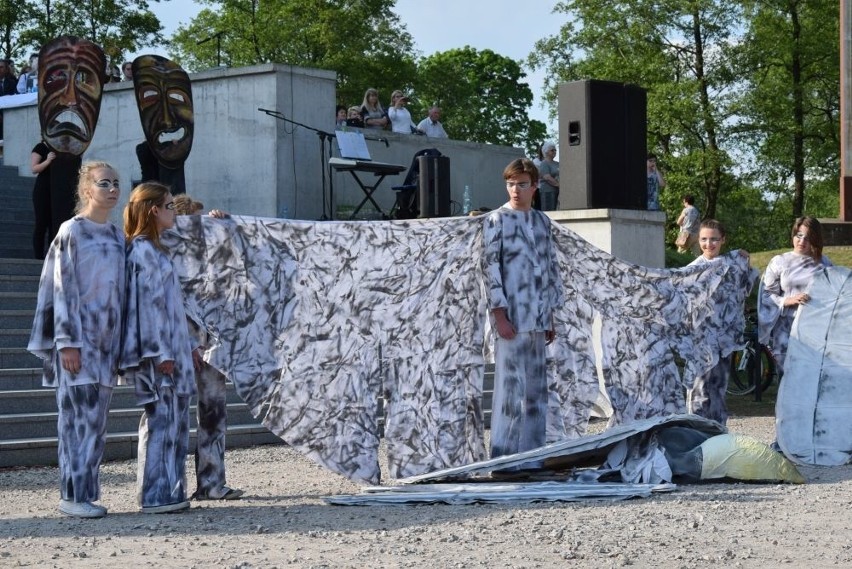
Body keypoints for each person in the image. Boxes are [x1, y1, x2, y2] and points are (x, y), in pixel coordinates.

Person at [27, 161, 125, 518]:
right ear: (87, 190)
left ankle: (86, 493)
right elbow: (61, 288)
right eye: (104, 183)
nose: (113, 189)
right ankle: (72, 495)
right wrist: (66, 341)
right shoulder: (72, 231)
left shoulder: (117, 236)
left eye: (116, 183)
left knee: (96, 424)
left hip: (107, 345)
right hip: (77, 344)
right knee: (75, 422)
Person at [121, 183, 197, 514]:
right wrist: (162, 352)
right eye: (169, 206)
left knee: (175, 422)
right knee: (160, 422)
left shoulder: (156, 249)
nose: (173, 212)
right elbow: (147, 308)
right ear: (154, 210)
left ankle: (169, 489)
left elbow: (171, 306)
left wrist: (188, 345)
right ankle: (153, 493)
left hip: (173, 350)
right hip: (157, 354)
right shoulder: (142, 252)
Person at [482, 158, 563, 466]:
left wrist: (550, 314)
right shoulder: (496, 220)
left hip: (539, 317)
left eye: (522, 184)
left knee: (536, 392)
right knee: (509, 391)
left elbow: (549, 268)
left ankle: (532, 458)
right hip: (511, 317)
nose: (516, 190)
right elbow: (490, 269)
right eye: (511, 184)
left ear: (535, 186)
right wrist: (499, 314)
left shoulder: (543, 221)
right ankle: (503, 459)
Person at [171, 196, 242, 500]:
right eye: (198, 223)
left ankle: (212, 483)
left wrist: (226, 226)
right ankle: (168, 489)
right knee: (170, 418)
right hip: (177, 347)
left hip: (210, 347)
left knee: (213, 415)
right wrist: (187, 344)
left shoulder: (210, 261)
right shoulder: (168, 259)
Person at [686, 219, 754, 425]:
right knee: (698, 389)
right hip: (699, 341)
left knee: (718, 389)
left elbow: (745, 290)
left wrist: (745, 259)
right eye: (704, 239)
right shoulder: (692, 270)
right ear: (698, 241)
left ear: (723, 240)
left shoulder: (731, 265)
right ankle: (694, 432)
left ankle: (717, 433)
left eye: (714, 239)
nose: (709, 244)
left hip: (724, 341)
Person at [758, 216, 833, 372]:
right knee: (787, 376)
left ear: (815, 239)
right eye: (799, 235)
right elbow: (765, 295)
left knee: (810, 377)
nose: (802, 241)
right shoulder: (779, 262)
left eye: (808, 237)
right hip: (786, 330)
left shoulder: (825, 264)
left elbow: (834, 295)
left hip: (815, 330)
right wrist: (787, 300)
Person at [29, 141, 56, 259]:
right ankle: (38, 257)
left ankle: (51, 257)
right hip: (42, 190)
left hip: (56, 191)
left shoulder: (60, 149)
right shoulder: (41, 147)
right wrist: (48, 161)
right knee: (41, 223)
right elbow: (34, 169)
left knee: (53, 225)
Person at [537, 141, 560, 211]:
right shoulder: (544, 163)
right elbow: (547, 178)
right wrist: (559, 185)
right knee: (549, 212)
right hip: (547, 191)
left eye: (555, 150)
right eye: (552, 150)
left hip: (557, 191)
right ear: (546, 152)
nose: (554, 152)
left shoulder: (557, 163)